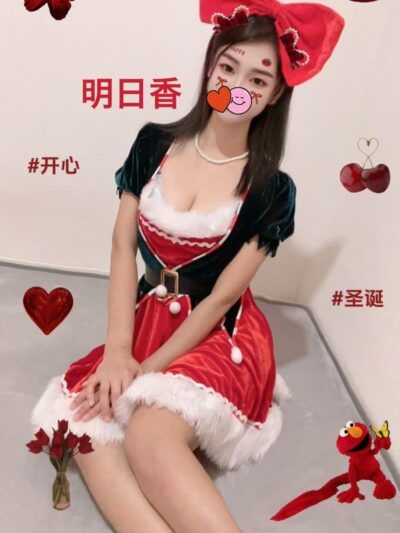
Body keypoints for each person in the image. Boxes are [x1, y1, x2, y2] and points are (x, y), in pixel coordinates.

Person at [30, 1, 344, 531]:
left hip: (218, 333)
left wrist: (146, 370)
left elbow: (222, 298)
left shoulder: (272, 189)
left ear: (275, 94)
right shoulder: (154, 143)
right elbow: (121, 246)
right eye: (228, 66)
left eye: (258, 79)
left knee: (149, 435)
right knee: (86, 426)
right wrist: (118, 352)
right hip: (149, 317)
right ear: (210, 66)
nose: (236, 86)